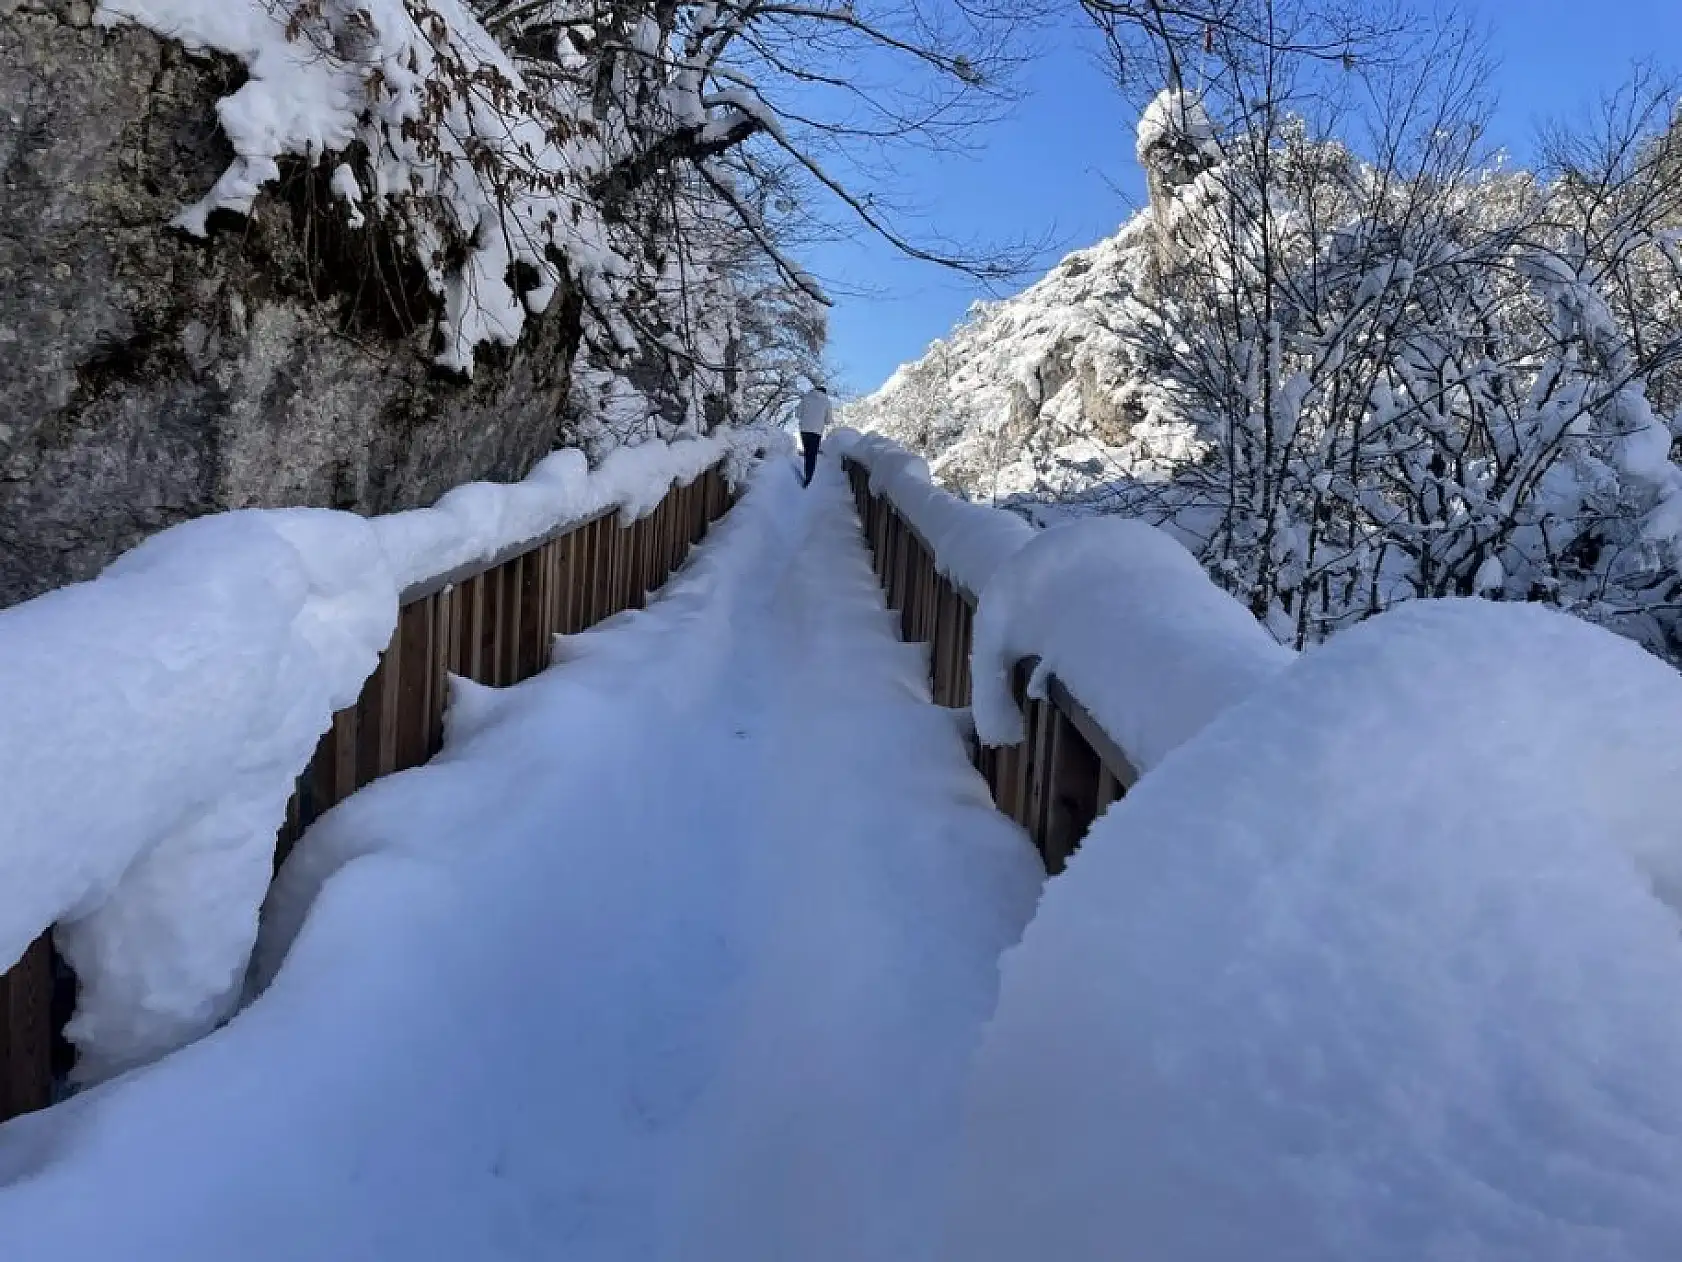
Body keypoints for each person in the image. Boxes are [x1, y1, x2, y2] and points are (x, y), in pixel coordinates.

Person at [796, 382, 831, 487]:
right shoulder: (826, 401)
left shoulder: (805, 398)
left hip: (804, 430)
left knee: (807, 453)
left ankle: (807, 473)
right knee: (812, 455)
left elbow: (797, 414)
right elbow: (828, 420)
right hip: (816, 432)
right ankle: (808, 478)